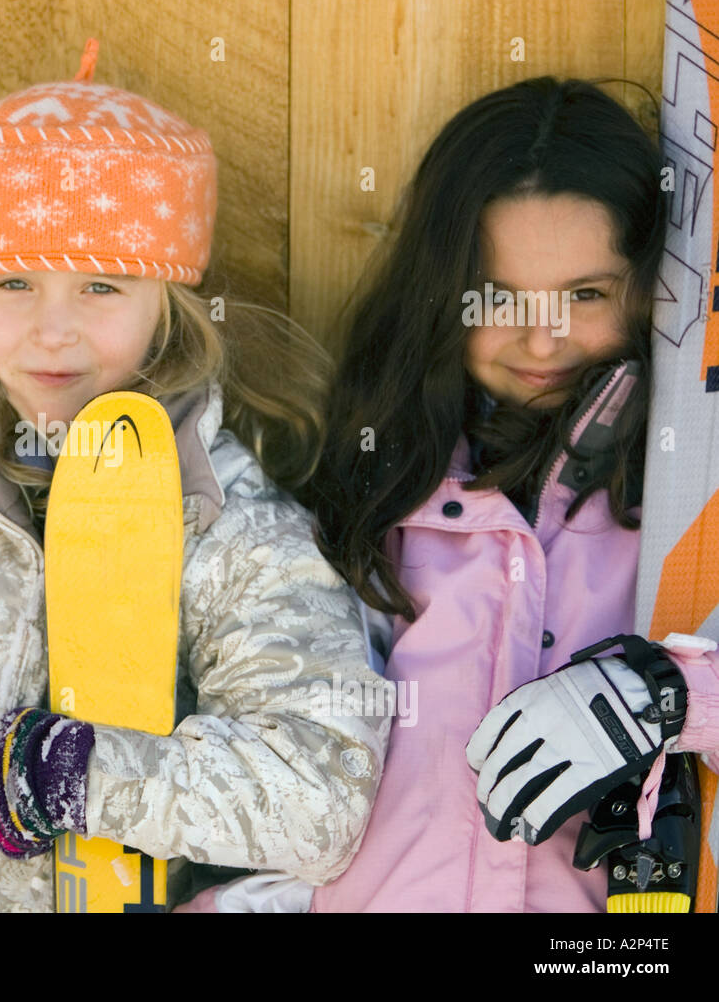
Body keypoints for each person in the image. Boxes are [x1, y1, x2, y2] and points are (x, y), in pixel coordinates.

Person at [0, 39, 390, 912]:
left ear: (170, 308)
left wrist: (86, 776)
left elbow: (321, 796)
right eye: (14, 282)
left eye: (103, 287)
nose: (52, 332)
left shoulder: (225, 522)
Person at [293, 77, 719, 912]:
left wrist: (658, 695)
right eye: (501, 298)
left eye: (585, 295)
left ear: (647, 290)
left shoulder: (686, 500)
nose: (542, 339)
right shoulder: (368, 486)